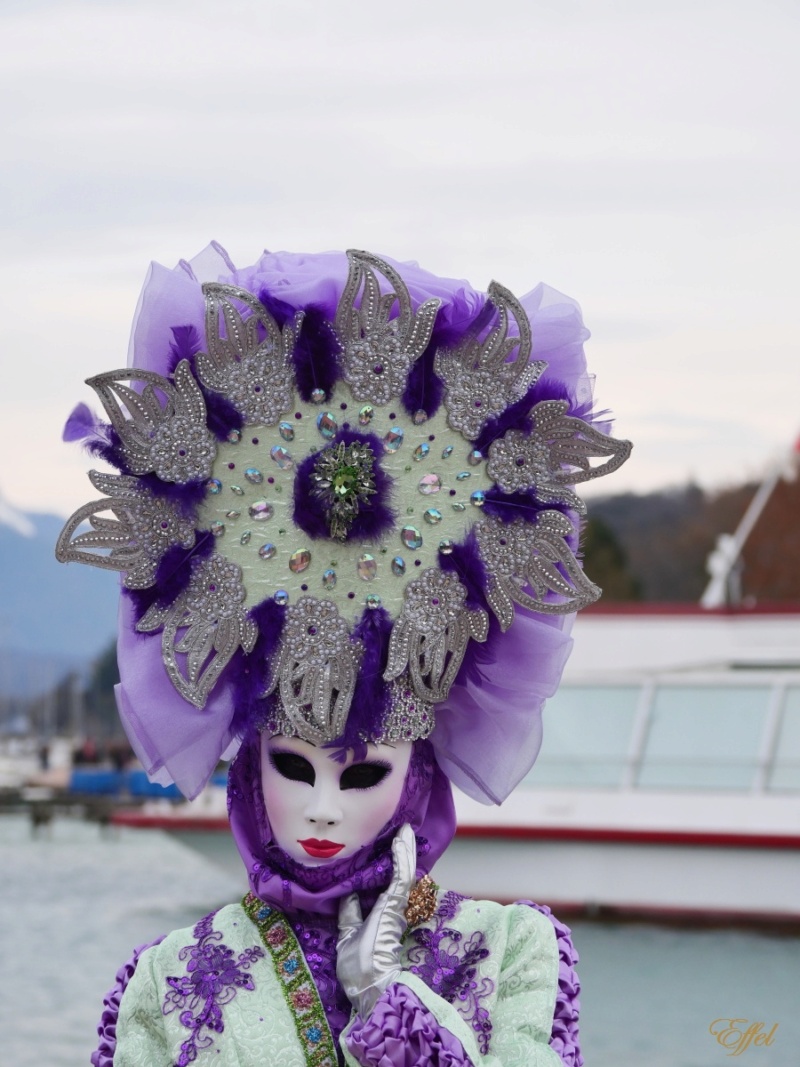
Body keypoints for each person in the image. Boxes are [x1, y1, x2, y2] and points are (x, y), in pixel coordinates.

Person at [57, 244, 631, 1065]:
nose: (324, 809)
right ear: (251, 769)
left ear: (417, 775)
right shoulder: (169, 981)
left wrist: (392, 1004)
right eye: (295, 767)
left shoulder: (508, 955)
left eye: (363, 773)